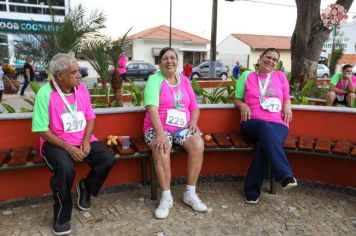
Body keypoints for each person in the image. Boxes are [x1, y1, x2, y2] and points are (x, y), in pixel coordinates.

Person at [32, 53, 115, 235]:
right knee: (65, 168)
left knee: (107, 159)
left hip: (82, 139)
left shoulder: (81, 89)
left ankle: (86, 187)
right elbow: (41, 129)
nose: (79, 75)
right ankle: (61, 217)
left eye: (79, 71)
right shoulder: (45, 94)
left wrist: (86, 141)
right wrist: (69, 148)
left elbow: (90, 117)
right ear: (60, 75)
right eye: (74, 72)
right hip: (55, 143)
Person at [144, 47, 207, 219]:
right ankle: (166, 197)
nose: (169, 61)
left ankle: (190, 193)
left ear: (177, 61)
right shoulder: (154, 80)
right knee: (161, 147)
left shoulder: (185, 81)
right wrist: (160, 134)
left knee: (197, 143)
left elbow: (194, 107)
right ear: (160, 62)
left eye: (173, 58)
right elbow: (151, 108)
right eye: (165, 58)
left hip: (182, 128)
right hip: (157, 127)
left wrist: (193, 123)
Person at [233, 48, 297, 205]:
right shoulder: (247, 76)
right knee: (264, 127)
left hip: (278, 123)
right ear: (261, 58)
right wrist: (242, 105)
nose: (271, 61)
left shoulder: (280, 77)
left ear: (277, 63)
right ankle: (284, 174)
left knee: (265, 143)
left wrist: (288, 106)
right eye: (268, 57)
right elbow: (236, 99)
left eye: (275, 59)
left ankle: (252, 190)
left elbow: (286, 98)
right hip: (252, 122)